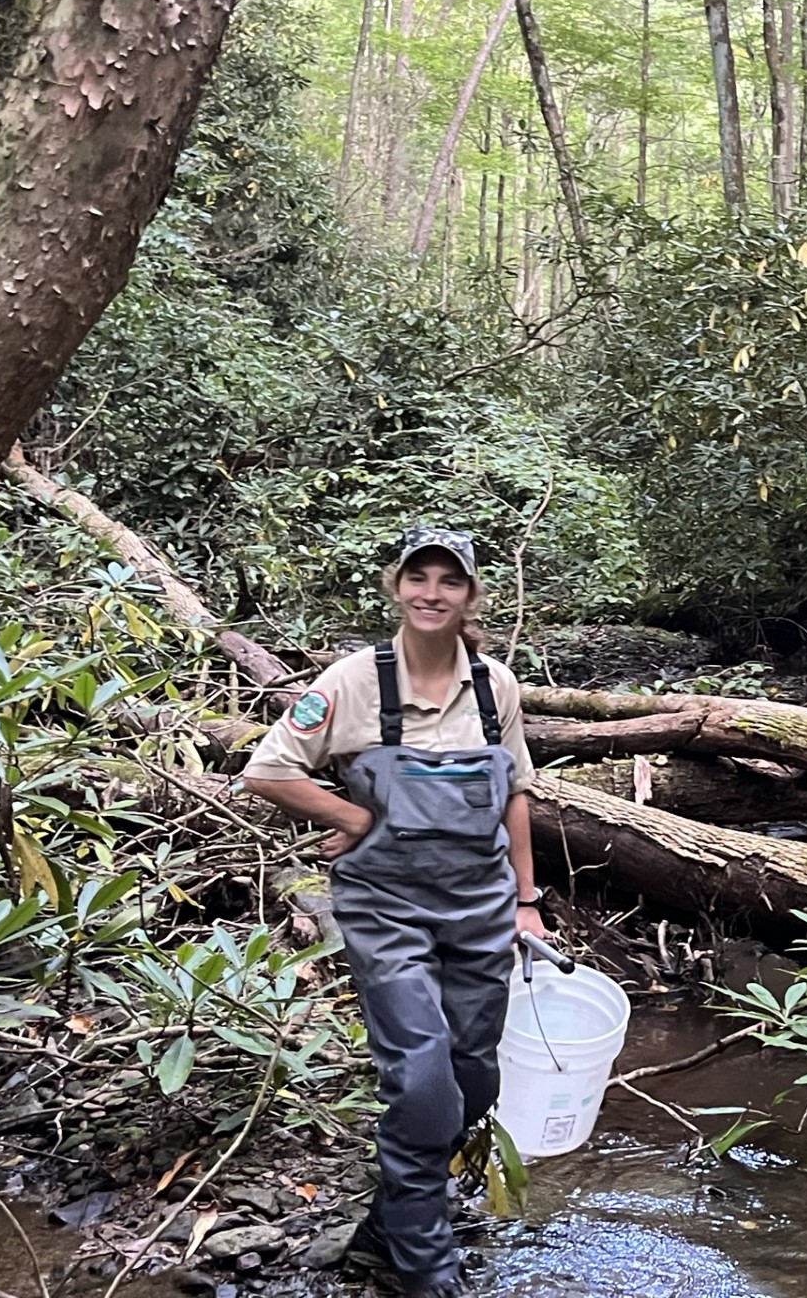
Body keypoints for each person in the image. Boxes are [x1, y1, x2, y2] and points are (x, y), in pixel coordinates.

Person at [242, 528, 544, 1298]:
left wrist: (527, 901)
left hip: (481, 906)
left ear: (471, 595)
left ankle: (386, 1227)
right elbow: (268, 770)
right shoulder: (353, 681)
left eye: (450, 581)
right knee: (421, 1077)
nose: (432, 593)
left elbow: (515, 793)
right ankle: (425, 1267)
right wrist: (355, 817)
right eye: (419, 577)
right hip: (386, 910)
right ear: (396, 586)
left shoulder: (496, 687)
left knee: (473, 1081)